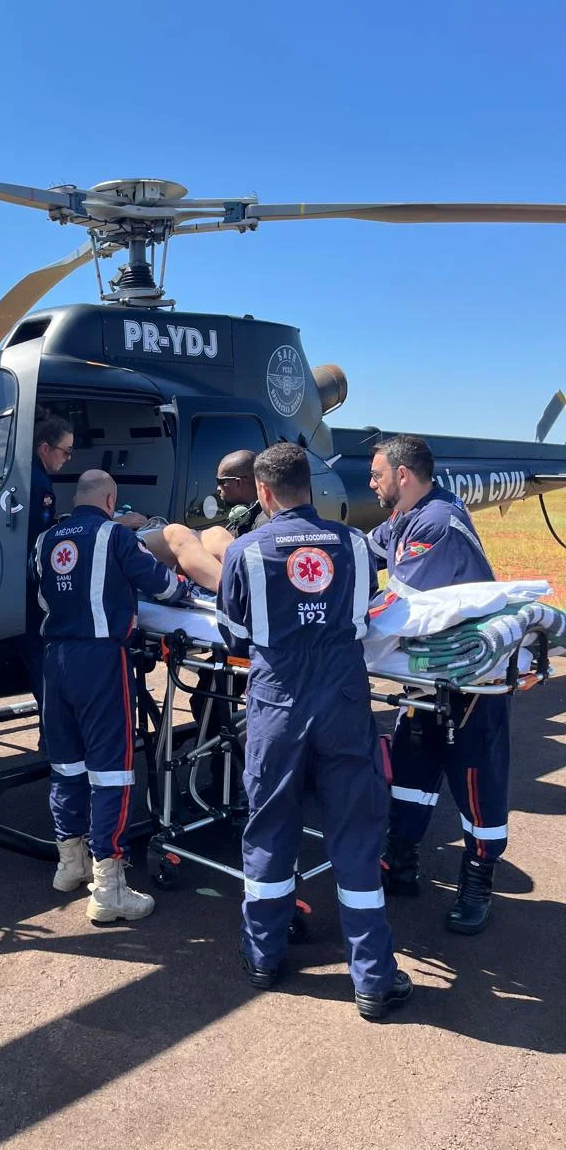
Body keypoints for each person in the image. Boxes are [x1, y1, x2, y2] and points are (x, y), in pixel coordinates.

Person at [217, 442, 412, 1021]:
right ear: (310, 486)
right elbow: (369, 613)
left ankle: (263, 956)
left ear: (263, 492)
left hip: (278, 702)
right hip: (346, 700)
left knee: (271, 824)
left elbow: (232, 635)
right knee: (355, 830)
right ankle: (374, 980)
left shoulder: (246, 551)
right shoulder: (355, 544)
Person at [368, 434, 509, 935]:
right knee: (411, 767)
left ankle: (477, 882)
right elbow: (373, 553)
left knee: (476, 784)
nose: (371, 481)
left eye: (377, 473)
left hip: (468, 679)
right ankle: (400, 861)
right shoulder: (407, 516)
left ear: (402, 476)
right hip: (427, 677)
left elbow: (397, 608)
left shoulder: (437, 523)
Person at [33, 469, 188, 921]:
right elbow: (162, 584)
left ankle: (70, 864)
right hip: (100, 662)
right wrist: (186, 588)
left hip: (54, 661)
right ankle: (109, 889)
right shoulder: (115, 536)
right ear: (110, 500)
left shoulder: (46, 541)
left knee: (66, 765)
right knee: (111, 773)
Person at [140, 449, 269, 593]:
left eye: (221, 482)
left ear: (238, 483)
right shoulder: (243, 517)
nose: (217, 488)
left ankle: (238, 592)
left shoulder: (265, 523)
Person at [19, 410, 75, 712]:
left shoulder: (24, 472)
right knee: (41, 655)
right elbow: (37, 543)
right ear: (45, 448)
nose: (67, 459)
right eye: (65, 451)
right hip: (30, 587)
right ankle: (53, 730)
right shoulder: (40, 484)